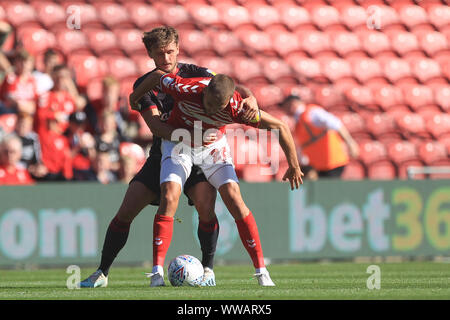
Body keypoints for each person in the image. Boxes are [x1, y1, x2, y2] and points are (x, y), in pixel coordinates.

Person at [79, 26, 259, 288]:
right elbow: (156, 127)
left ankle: (207, 269)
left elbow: (228, 85)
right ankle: (102, 273)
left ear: (178, 48)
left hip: (199, 156)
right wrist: (187, 138)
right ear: (150, 53)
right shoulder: (145, 85)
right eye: (160, 53)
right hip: (165, 152)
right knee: (127, 210)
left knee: (206, 206)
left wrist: (250, 95)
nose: (166, 58)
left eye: (170, 52)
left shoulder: (197, 73)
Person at [129, 70, 304, 286]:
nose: (210, 109)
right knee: (169, 195)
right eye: (208, 102)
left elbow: (281, 126)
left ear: (228, 102)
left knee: (234, 199)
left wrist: (294, 165)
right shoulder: (185, 88)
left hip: (212, 146)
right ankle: (156, 274)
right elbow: (157, 77)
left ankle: (261, 272)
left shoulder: (238, 108)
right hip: (179, 143)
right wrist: (134, 97)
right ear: (205, 91)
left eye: (216, 107)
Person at [281, 95, 359, 178]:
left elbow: (336, 124)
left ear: (292, 104)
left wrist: (350, 142)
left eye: (285, 106)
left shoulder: (312, 113)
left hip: (332, 162)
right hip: (318, 166)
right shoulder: (298, 122)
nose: (284, 110)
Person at [0, 49, 38, 115]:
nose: (24, 65)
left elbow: (35, 101)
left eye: (27, 62)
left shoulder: (33, 80)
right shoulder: (11, 78)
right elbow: (12, 101)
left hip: (27, 113)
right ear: (16, 62)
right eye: (21, 62)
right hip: (10, 112)